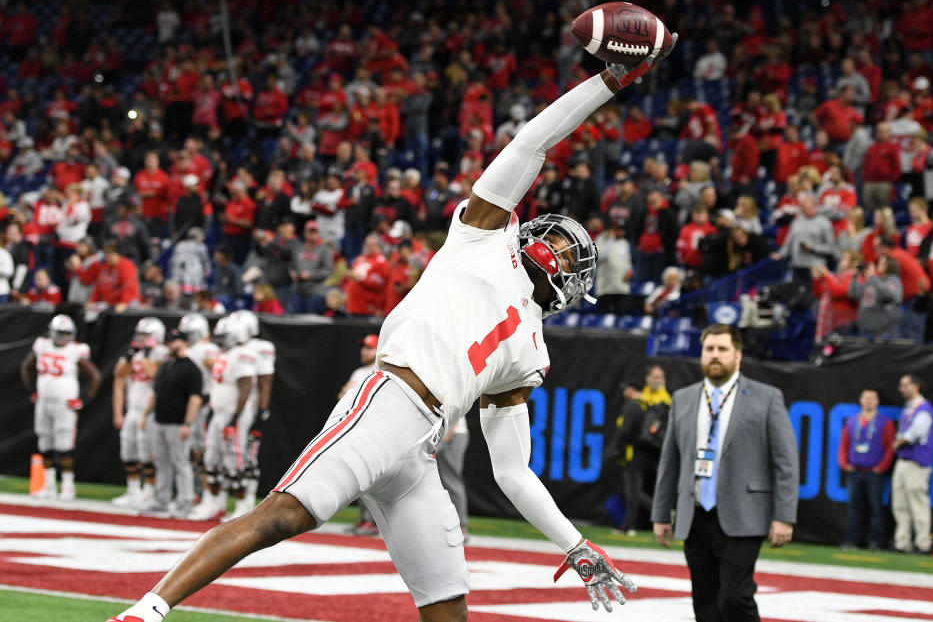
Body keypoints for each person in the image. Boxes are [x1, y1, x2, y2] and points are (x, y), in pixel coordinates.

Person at [108, 43, 682, 622]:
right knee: (286, 515)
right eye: (554, 237)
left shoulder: (532, 350)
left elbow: (512, 471)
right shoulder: (484, 235)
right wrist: (607, 82)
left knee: (448, 606)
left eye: (567, 253)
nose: (553, 249)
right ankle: (144, 612)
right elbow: (531, 141)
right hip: (388, 401)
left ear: (577, 286)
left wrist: (575, 545)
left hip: (422, 447)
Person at [652, 324, 799, 622]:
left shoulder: (767, 397)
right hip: (694, 514)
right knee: (705, 604)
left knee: (734, 597)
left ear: (738, 355)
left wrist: (784, 515)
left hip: (745, 514)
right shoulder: (683, 398)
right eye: (709, 349)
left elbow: (786, 462)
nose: (715, 355)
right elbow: (670, 460)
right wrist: (660, 513)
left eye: (722, 349)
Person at [21, 314, 101, 500]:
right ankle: (48, 486)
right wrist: (32, 389)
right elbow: (26, 367)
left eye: (67, 332)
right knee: (45, 443)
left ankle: (67, 486)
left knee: (65, 445)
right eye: (61, 332)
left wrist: (83, 399)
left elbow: (95, 376)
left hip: (64, 403)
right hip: (44, 402)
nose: (64, 336)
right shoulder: (42, 345)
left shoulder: (76, 350)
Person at [188, 315, 256, 522]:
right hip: (218, 413)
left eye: (224, 336)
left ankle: (243, 506)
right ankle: (215, 503)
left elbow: (246, 387)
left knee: (234, 460)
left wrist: (235, 417)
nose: (220, 339)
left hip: (232, 414)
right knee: (211, 460)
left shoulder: (243, 354)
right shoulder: (226, 354)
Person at [139, 329, 203, 518]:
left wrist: (188, 423)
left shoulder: (192, 369)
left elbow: (195, 398)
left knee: (181, 463)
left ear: (184, 343)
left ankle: (185, 502)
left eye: (174, 341)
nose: (170, 345)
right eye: (169, 341)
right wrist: (145, 414)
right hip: (160, 421)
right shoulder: (166, 366)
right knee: (162, 463)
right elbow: (156, 393)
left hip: (177, 423)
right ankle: (161, 501)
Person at [110, 317, 168, 508]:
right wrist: (130, 355)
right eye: (140, 335)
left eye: (145, 335)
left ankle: (148, 492)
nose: (141, 339)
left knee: (146, 452)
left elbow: (154, 374)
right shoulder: (136, 354)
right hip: (133, 409)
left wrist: (146, 355)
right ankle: (133, 490)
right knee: (128, 450)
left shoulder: (161, 352)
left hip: (149, 411)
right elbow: (119, 375)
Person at [607, 365, 672, 535]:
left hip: (654, 450)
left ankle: (664, 516)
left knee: (637, 490)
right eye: (655, 377)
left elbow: (656, 406)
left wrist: (638, 397)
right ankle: (655, 517)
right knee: (633, 489)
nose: (658, 380)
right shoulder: (644, 395)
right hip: (643, 448)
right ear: (647, 378)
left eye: (661, 377)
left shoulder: (663, 397)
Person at [227, 310, 276, 521]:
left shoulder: (261, 348)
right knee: (230, 455)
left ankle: (247, 502)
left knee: (247, 456)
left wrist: (262, 411)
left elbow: (266, 381)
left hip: (249, 407)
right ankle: (222, 501)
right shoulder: (235, 349)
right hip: (231, 405)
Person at [837, 389, 896, 550]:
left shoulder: (885, 422)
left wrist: (882, 467)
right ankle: (852, 540)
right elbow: (843, 445)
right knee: (854, 508)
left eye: (872, 398)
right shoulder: (851, 421)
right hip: (855, 471)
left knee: (876, 508)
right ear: (860, 400)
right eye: (866, 398)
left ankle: (876, 542)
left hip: (874, 473)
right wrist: (844, 464)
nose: (869, 401)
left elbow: (891, 447)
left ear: (877, 401)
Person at [337, 333, 381, 535]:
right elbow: (342, 395)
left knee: (375, 478)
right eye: (364, 347)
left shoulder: (380, 370)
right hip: (360, 429)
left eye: (369, 348)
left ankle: (374, 522)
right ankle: (365, 519)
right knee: (363, 476)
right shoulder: (358, 372)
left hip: (376, 429)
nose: (364, 351)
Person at [179, 313, 220, 503]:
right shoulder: (190, 348)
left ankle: (206, 493)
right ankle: (195, 491)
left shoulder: (207, 348)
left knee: (202, 451)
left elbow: (217, 368)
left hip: (205, 403)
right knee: (192, 451)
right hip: (191, 403)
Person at [892, 374, 933, 554]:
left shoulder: (923, 408)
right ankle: (902, 543)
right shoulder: (909, 408)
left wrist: (898, 442)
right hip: (902, 461)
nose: (901, 389)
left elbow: (916, 432)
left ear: (915, 386)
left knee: (918, 503)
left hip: (916, 463)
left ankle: (923, 543)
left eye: (905, 385)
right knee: (900, 503)